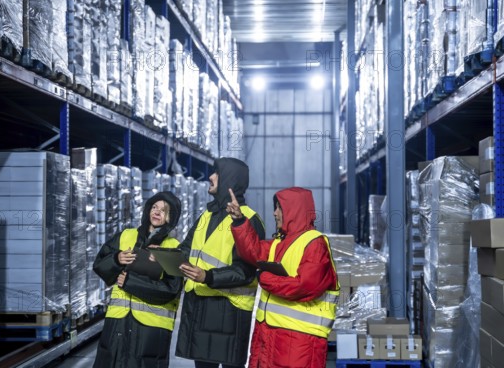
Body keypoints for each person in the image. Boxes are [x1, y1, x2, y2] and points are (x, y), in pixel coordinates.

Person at [226, 187, 339, 368]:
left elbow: (305, 286)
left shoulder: (315, 244)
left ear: (293, 211)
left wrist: (265, 279)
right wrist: (239, 221)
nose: (274, 213)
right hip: (273, 336)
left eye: (279, 208)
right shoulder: (280, 243)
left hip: (299, 343)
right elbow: (253, 251)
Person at [175, 157, 265, 368]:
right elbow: (187, 248)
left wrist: (208, 276)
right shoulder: (207, 215)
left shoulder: (249, 219)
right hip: (200, 304)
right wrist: (166, 255)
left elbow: (246, 271)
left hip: (229, 310)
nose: (210, 177)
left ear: (229, 180)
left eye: (216, 173)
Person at [92, 191, 183, 368]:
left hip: (151, 327)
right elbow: (99, 264)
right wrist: (116, 259)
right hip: (118, 321)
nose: (156, 212)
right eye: (154, 207)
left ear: (171, 218)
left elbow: (172, 289)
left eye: (163, 210)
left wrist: (130, 283)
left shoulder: (174, 248)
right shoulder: (126, 235)